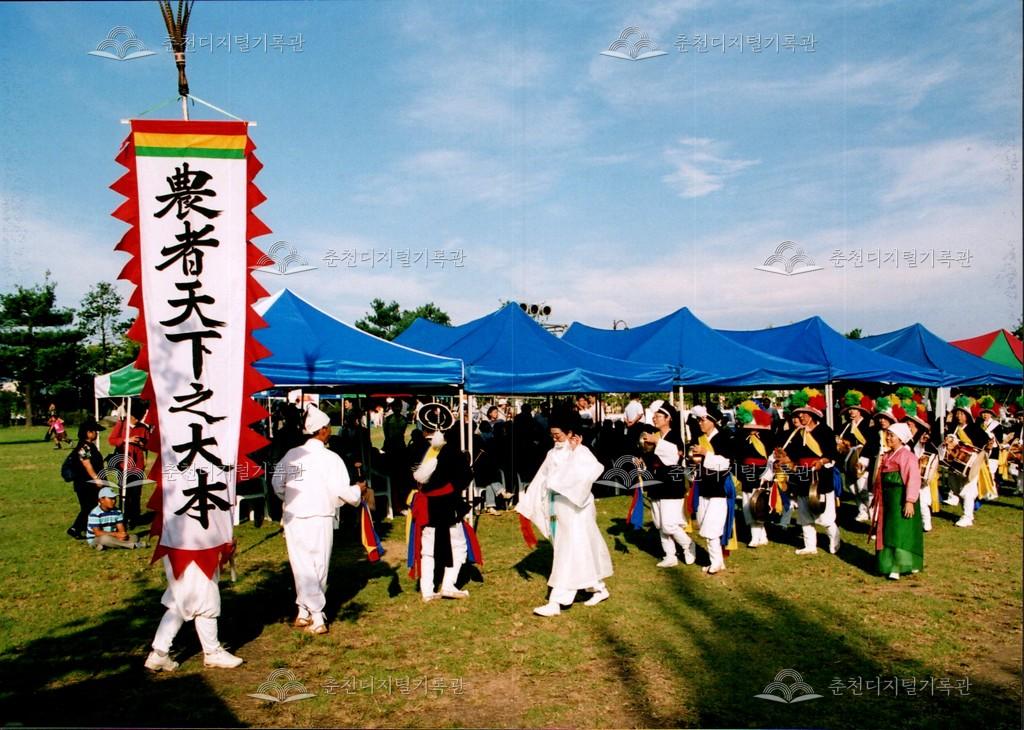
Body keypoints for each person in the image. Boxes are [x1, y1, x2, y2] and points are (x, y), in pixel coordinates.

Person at [273, 405, 367, 635]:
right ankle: (317, 615)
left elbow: (277, 484)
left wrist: (291, 498)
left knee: (301, 564)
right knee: (318, 565)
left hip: (295, 515)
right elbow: (342, 491)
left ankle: (303, 610)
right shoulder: (331, 459)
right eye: (329, 427)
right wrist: (358, 489)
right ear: (323, 430)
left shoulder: (291, 455)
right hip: (320, 514)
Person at [517, 414, 613, 616]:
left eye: (558, 435)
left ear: (570, 433)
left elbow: (591, 471)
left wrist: (576, 452)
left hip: (575, 508)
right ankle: (598, 588)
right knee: (576, 549)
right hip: (556, 506)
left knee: (567, 551)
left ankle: (557, 601)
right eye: (552, 435)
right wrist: (528, 501)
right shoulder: (552, 453)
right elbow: (541, 477)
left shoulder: (581, 452)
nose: (555, 439)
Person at [408, 404, 475, 601]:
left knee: (427, 549)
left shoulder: (415, 449)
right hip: (448, 505)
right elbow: (465, 477)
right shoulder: (452, 451)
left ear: (423, 427)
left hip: (426, 506)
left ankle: (427, 590)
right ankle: (448, 585)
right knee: (458, 546)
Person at [777, 392, 840, 556]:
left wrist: (821, 462)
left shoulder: (825, 430)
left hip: (821, 478)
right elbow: (792, 456)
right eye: (799, 414)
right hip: (802, 476)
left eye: (804, 414)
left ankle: (835, 542)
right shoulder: (798, 433)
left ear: (812, 415)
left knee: (825, 517)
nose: (801, 417)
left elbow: (832, 453)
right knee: (804, 515)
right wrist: (784, 459)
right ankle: (810, 546)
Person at [642, 402, 695, 567]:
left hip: (671, 483)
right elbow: (650, 459)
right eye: (654, 416)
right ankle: (670, 555)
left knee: (669, 524)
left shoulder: (675, 437)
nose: (655, 419)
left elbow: (674, 457)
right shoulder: (655, 436)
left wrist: (657, 442)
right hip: (656, 483)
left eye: (658, 416)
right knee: (659, 523)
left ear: (668, 419)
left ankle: (688, 544)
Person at [871, 424, 924, 580]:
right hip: (888, 500)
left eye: (891, 435)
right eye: (887, 435)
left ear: (901, 438)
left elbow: (913, 479)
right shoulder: (887, 455)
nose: (888, 438)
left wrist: (909, 501)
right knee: (888, 530)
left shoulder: (907, 456)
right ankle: (888, 563)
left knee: (900, 532)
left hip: (901, 498)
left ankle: (899, 565)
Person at [688, 404, 736, 574]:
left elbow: (726, 463)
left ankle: (715, 562)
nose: (700, 423)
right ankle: (717, 561)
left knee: (712, 527)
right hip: (702, 487)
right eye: (699, 420)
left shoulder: (724, 438)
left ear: (713, 421)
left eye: (703, 420)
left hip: (719, 489)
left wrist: (706, 454)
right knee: (703, 523)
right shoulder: (699, 439)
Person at [942, 397, 991, 527]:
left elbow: (986, 442)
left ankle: (967, 517)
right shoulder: (953, 427)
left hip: (971, 464)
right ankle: (968, 511)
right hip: (954, 464)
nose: (959, 416)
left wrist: (987, 447)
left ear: (967, 415)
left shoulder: (975, 428)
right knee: (955, 488)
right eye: (957, 413)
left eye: (962, 413)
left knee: (967, 491)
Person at [734, 401, 774, 548]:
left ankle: (755, 537)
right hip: (747, 472)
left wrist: (768, 474)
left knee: (759, 503)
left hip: (763, 472)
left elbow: (772, 456)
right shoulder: (740, 436)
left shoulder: (768, 436)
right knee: (747, 503)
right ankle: (761, 536)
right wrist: (739, 473)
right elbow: (737, 457)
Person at [107, 401, 151, 527]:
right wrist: (127, 440)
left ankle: (134, 518)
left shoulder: (143, 428)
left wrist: (142, 444)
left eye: (139, 418)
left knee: (136, 493)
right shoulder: (121, 425)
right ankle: (124, 517)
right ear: (130, 415)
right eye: (136, 417)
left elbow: (149, 444)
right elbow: (112, 440)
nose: (137, 420)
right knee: (125, 492)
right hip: (123, 465)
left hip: (138, 465)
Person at [837, 391, 875, 523]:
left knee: (862, 488)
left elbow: (870, 443)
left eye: (854, 409)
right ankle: (861, 511)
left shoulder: (869, 424)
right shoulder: (845, 426)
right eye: (850, 409)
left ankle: (871, 511)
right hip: (849, 461)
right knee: (852, 488)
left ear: (860, 410)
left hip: (863, 459)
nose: (851, 412)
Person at [67, 418, 106, 540]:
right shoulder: (84, 447)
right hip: (85, 484)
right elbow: (87, 464)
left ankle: (87, 528)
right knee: (88, 507)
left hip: (86, 483)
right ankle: (75, 528)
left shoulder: (89, 446)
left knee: (91, 506)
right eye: (95, 431)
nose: (97, 434)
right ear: (89, 433)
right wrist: (96, 478)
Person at [903, 410, 939, 532]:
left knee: (922, 502)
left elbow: (935, 455)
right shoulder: (906, 440)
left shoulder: (927, 441)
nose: (908, 425)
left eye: (910, 423)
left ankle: (926, 523)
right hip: (907, 475)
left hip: (921, 477)